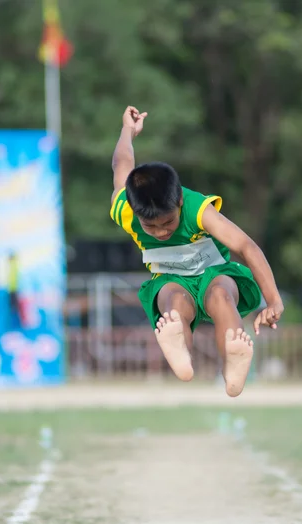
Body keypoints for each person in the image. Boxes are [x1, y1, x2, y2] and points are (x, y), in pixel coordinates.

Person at [110, 106, 284, 397]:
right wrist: (128, 130)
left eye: (168, 222)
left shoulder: (198, 209)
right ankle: (180, 352)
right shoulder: (124, 207)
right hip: (170, 279)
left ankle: (232, 367)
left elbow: (245, 246)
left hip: (215, 274)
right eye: (150, 227)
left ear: (178, 201)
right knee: (174, 303)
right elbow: (121, 163)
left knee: (220, 295)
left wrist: (273, 300)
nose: (162, 232)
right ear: (135, 213)